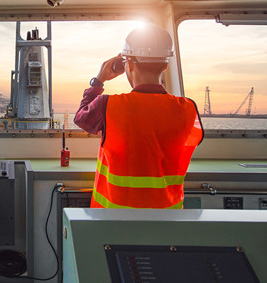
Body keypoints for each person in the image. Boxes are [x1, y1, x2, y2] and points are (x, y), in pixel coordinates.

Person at [74, 23, 204, 209]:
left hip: (113, 219)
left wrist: (99, 80)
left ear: (128, 64)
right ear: (165, 65)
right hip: (167, 219)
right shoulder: (188, 108)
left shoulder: (108, 105)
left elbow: (81, 118)